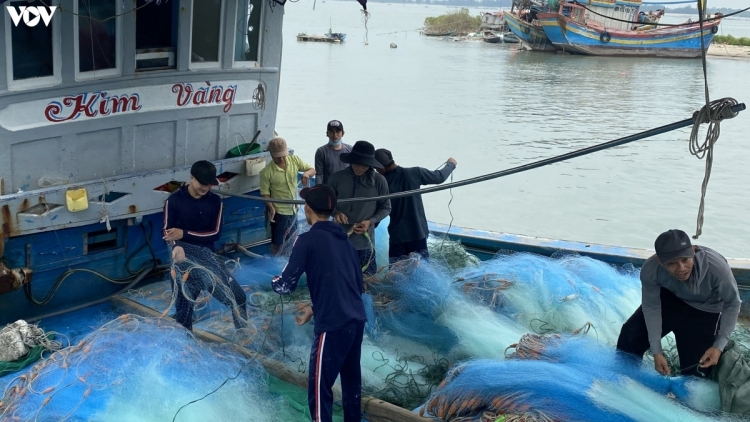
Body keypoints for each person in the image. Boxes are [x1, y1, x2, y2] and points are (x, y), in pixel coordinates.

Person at [271, 184, 367, 422]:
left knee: (319, 388)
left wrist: (273, 281)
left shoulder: (306, 239)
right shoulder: (345, 241)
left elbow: (285, 285)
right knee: (351, 383)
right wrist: (313, 308)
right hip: (356, 320)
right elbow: (356, 284)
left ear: (307, 209)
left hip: (333, 325)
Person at [616, 229, 741, 376]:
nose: (681, 268)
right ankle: (624, 381)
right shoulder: (651, 269)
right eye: (671, 263)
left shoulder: (717, 269)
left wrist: (718, 346)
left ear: (693, 251)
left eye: (685, 260)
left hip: (705, 309)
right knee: (629, 337)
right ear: (659, 261)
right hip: (670, 299)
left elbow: (732, 303)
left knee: (697, 371)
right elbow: (651, 307)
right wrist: (656, 351)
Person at [163, 160, 248, 331]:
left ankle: (243, 332)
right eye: (202, 183)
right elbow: (167, 232)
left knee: (238, 297)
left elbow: (215, 233)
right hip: (182, 262)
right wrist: (175, 246)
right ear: (191, 178)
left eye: (209, 184)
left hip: (208, 260)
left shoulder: (215, 201)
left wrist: (184, 234)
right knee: (184, 313)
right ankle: (187, 343)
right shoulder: (173, 201)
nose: (205, 187)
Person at [374, 149, 457, 262]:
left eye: (376, 169)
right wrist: (451, 164)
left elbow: (378, 211)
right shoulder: (414, 173)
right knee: (421, 269)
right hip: (418, 232)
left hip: (397, 237)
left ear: (381, 168)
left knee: (397, 273)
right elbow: (439, 177)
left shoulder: (382, 183)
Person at [327, 141, 391, 276]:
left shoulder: (379, 181)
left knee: (367, 281)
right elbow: (326, 203)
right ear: (351, 161)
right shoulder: (336, 178)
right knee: (340, 278)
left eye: (364, 165)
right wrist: (335, 212)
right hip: (340, 239)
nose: (359, 168)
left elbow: (386, 207)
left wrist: (370, 221)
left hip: (365, 242)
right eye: (356, 163)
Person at [259, 137, 315, 255]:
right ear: (271, 154)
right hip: (279, 212)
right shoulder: (266, 172)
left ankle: (288, 257)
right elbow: (265, 193)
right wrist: (271, 207)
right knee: (277, 242)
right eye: (278, 156)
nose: (282, 158)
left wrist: (307, 173)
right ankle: (275, 260)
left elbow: (312, 169)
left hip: (293, 209)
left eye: (283, 155)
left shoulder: (294, 160)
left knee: (293, 237)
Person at [315, 120, 352, 185]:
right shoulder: (321, 151)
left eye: (337, 131)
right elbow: (319, 174)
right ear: (327, 134)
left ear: (343, 133)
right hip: (329, 190)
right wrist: (319, 189)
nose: (335, 134)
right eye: (331, 131)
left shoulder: (350, 149)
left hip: (346, 188)